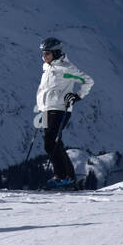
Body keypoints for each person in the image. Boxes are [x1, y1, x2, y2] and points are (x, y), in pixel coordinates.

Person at [35, 37, 93, 189]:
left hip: (60, 109)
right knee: (56, 143)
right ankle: (70, 178)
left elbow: (87, 81)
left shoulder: (66, 68)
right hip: (47, 109)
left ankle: (61, 176)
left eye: (47, 53)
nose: (44, 56)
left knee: (50, 143)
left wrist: (77, 96)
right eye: (43, 53)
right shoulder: (47, 68)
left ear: (56, 52)